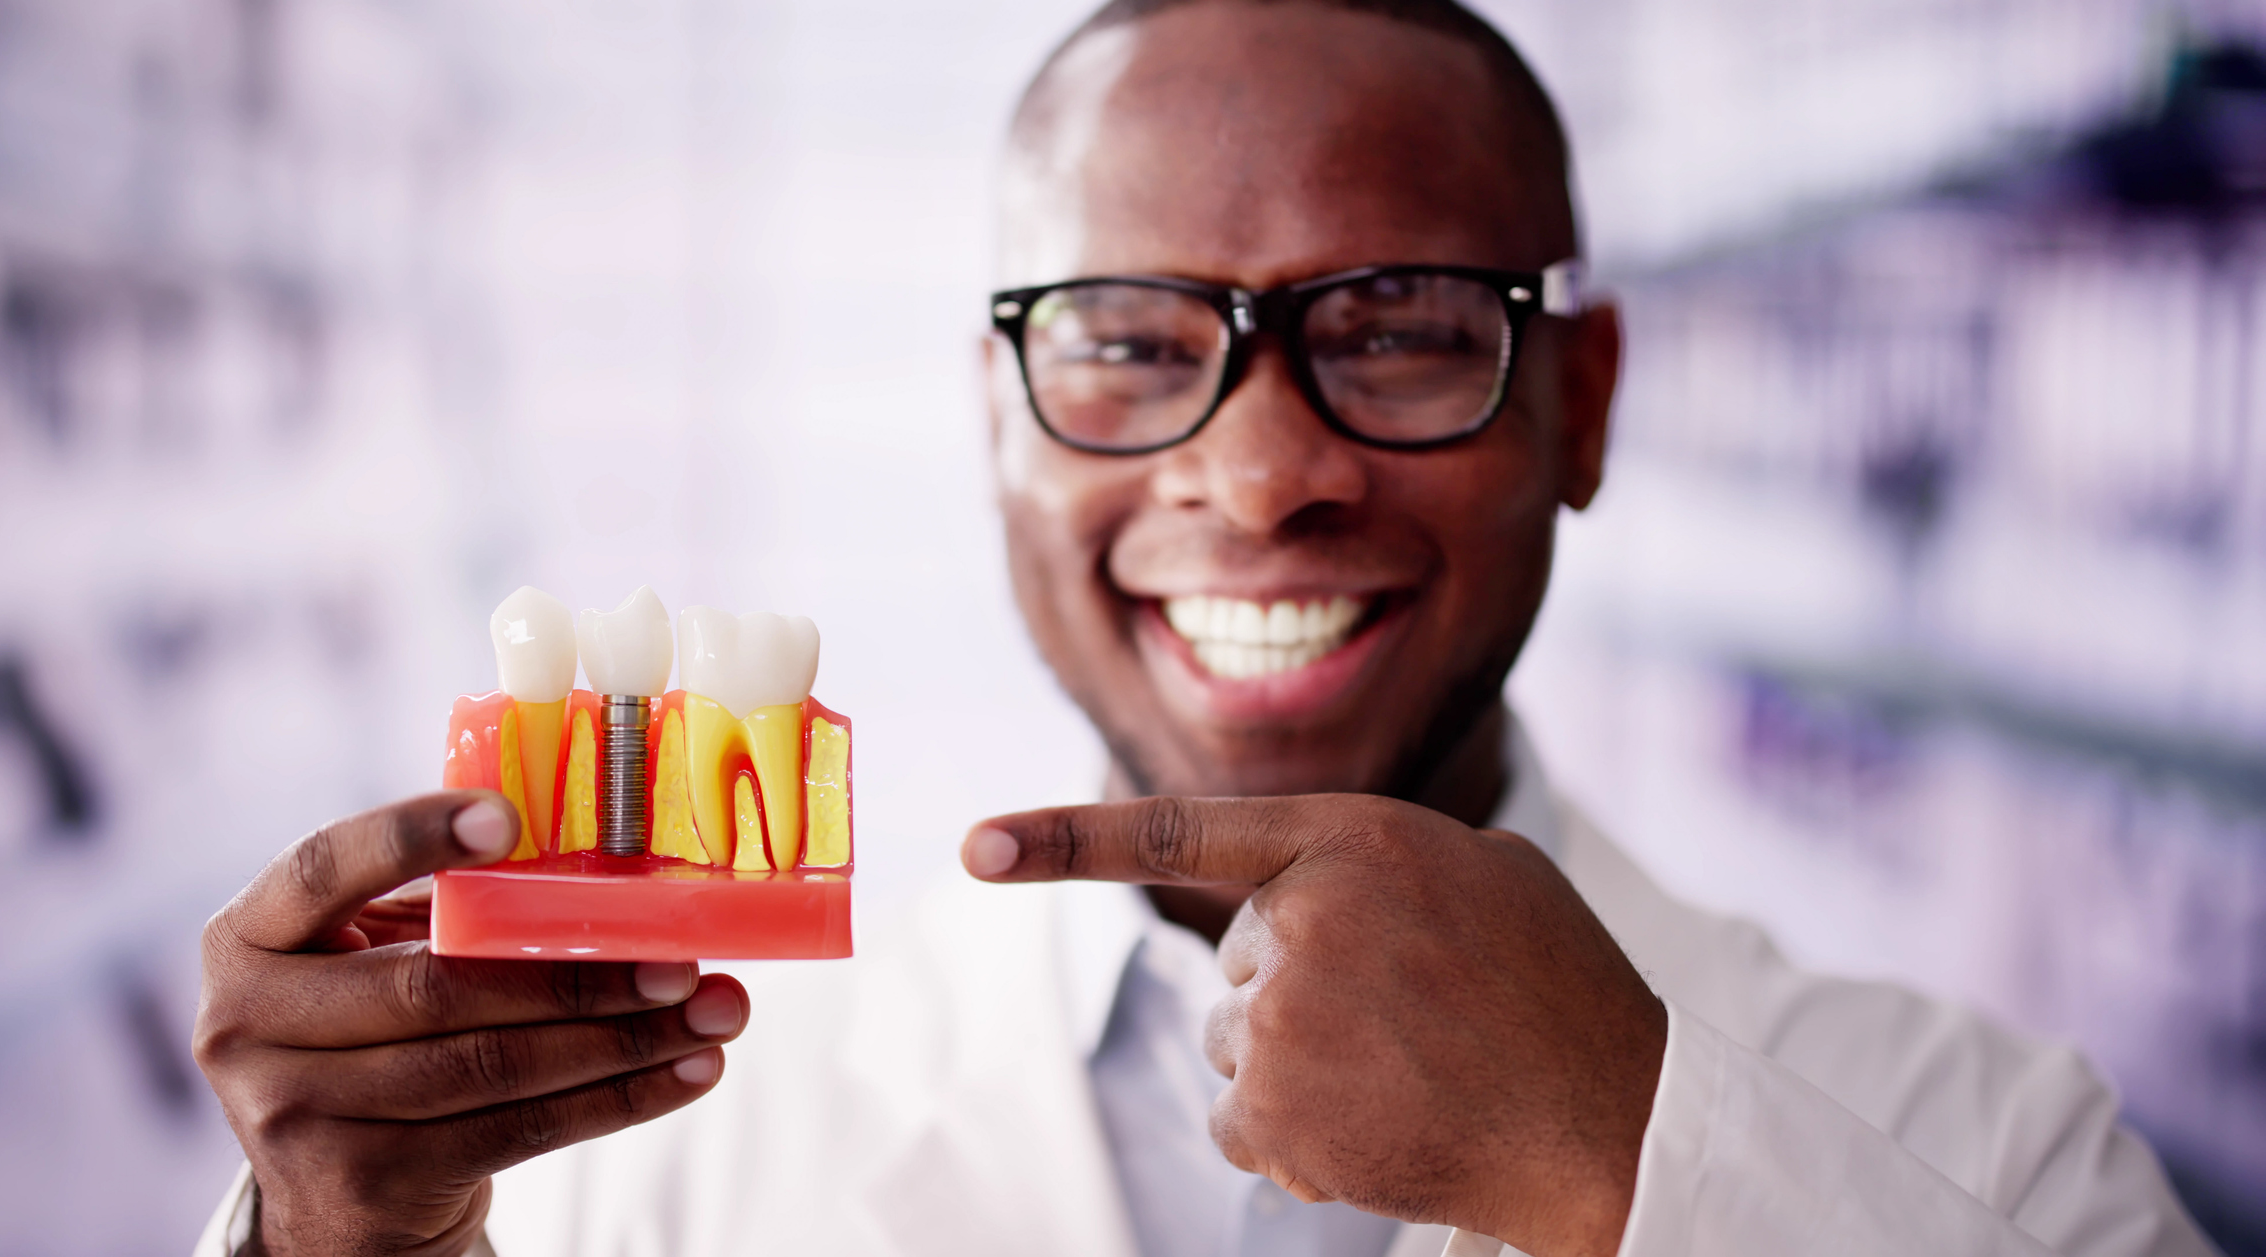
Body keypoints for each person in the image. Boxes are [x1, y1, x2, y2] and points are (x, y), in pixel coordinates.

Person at [190, 2, 2218, 1254]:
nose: (1256, 477)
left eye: (1406, 329)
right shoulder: (620, 1170)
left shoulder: (1996, 1163)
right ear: (997, 417)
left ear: (1578, 404)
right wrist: (329, 1245)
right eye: (1131, 342)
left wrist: (1640, 1166)